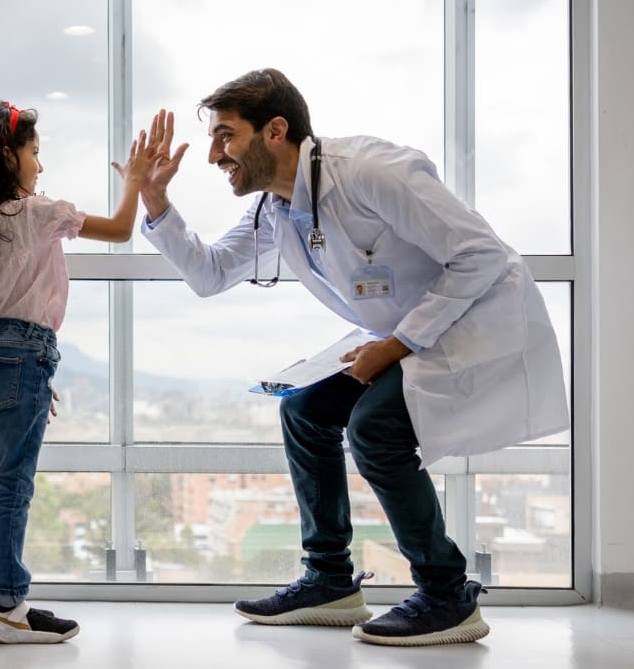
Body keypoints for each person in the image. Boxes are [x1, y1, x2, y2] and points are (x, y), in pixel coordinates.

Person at [137, 68, 569, 647]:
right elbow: (211, 273)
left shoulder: (371, 172)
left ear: (275, 130)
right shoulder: (276, 209)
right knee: (304, 411)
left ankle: (447, 593)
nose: (214, 154)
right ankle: (330, 580)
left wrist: (392, 346)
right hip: (414, 333)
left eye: (226, 136)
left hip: (480, 321)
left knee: (375, 426)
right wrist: (158, 204)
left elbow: (480, 255)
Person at [0, 100, 163, 644]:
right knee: (13, 486)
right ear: (8, 152)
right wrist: (135, 181)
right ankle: (10, 607)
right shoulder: (35, 212)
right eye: (34, 152)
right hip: (23, 347)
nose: (40, 167)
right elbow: (118, 229)